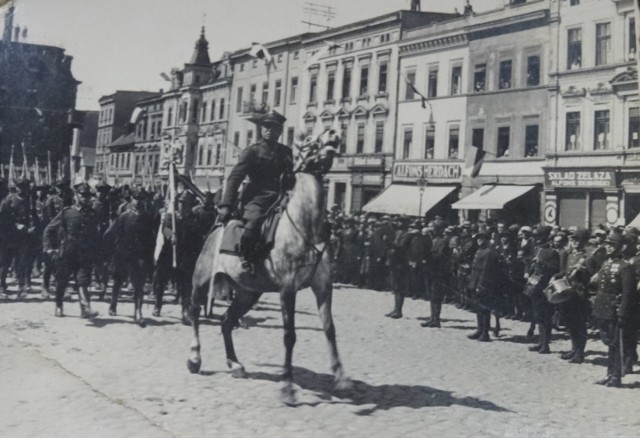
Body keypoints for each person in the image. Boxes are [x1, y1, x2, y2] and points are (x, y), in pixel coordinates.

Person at [217, 111, 293, 274]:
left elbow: (291, 177)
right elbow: (235, 177)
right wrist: (226, 204)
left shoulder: (286, 152)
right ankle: (246, 258)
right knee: (252, 225)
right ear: (261, 129)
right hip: (257, 198)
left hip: (281, 198)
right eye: (266, 127)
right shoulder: (253, 151)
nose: (270, 130)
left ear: (280, 131)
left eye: (274, 127)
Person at [43, 182, 100, 318]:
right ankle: (59, 305)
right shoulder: (67, 212)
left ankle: (85, 308)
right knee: (62, 281)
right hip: (67, 252)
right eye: (82, 195)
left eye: (88, 195)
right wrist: (49, 248)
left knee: (83, 280)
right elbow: (49, 230)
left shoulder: (92, 213)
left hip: (84, 253)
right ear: (76, 195)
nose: (85, 198)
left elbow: (95, 235)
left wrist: (97, 252)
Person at [592, 233, 637, 387]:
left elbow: (627, 293)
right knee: (608, 342)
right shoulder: (606, 264)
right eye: (607, 244)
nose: (609, 247)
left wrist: (622, 313)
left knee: (616, 344)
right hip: (603, 309)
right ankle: (609, 373)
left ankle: (615, 376)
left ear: (620, 247)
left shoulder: (625, 266)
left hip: (614, 310)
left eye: (612, 244)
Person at [104, 186, 155, 322]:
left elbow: (151, 239)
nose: (137, 201)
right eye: (135, 198)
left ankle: (138, 311)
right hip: (124, 254)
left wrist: (149, 258)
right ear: (131, 199)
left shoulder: (148, 218)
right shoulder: (124, 216)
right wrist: (112, 253)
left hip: (140, 256)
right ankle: (113, 304)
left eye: (141, 198)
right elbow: (111, 234)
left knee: (139, 284)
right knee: (118, 281)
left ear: (145, 200)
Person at [0, 177, 38, 298]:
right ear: (16, 187)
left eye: (24, 186)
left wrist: (33, 227)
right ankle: (2, 285)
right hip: (10, 236)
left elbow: (33, 215)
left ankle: (21, 287)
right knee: (5, 262)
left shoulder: (29, 200)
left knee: (22, 262)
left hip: (24, 236)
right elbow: (5, 219)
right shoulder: (9, 200)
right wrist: (16, 225)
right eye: (20, 186)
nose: (22, 189)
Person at [467, 231, 503, 342]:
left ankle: (485, 332)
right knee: (478, 308)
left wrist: (480, 285)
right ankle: (479, 329)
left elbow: (485, 271)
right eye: (478, 239)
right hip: (475, 282)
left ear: (486, 240)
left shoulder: (488, 252)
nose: (479, 241)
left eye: (482, 239)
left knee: (485, 309)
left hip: (483, 284)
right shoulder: (479, 251)